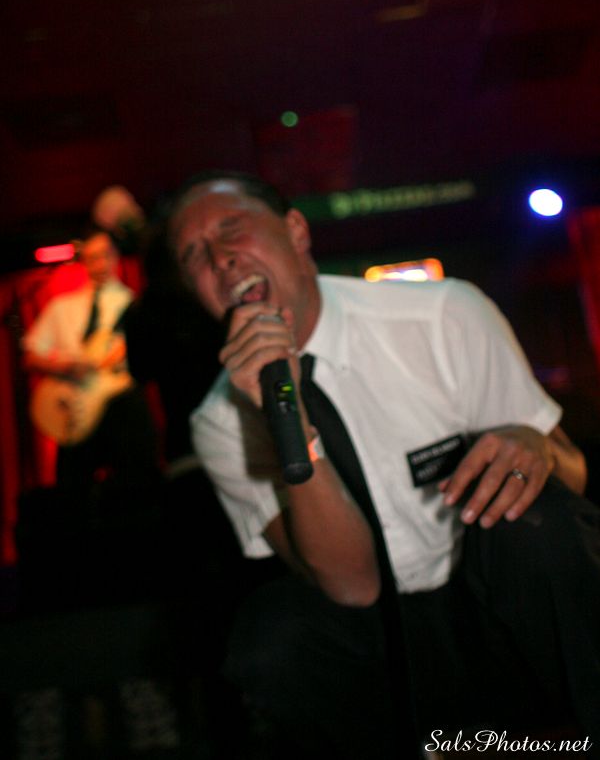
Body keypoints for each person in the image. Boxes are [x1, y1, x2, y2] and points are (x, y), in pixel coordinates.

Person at [167, 171, 600, 759]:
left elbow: (573, 482)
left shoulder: (444, 314)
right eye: (193, 255)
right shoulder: (219, 420)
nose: (219, 258)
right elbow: (352, 583)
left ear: (296, 231)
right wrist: (284, 416)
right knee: (273, 637)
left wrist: (534, 446)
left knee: (539, 528)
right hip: (382, 635)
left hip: (494, 590)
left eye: (232, 229)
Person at [21, 226, 159, 498]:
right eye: (93, 258)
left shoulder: (135, 305)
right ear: (83, 261)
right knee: (73, 493)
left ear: (116, 256)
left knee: (137, 488)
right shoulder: (62, 306)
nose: (101, 264)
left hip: (122, 406)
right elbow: (30, 355)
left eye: (106, 255)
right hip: (75, 408)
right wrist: (64, 367)